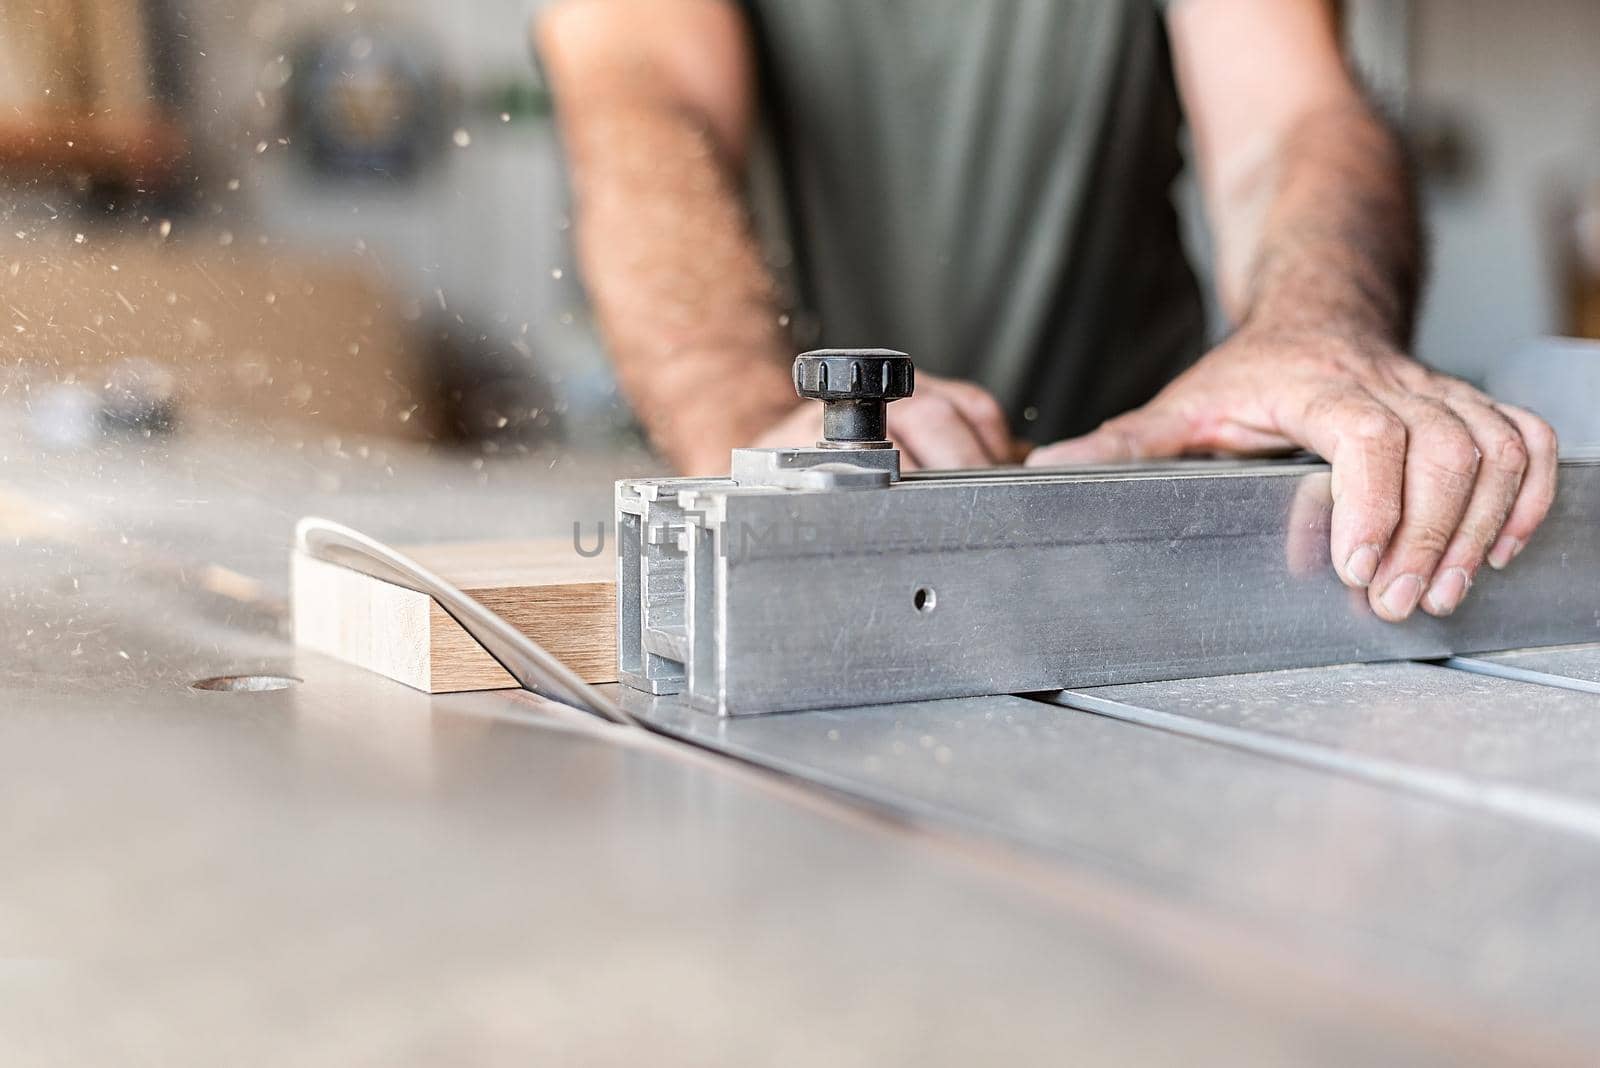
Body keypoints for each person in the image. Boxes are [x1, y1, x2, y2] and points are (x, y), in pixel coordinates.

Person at [536, 0, 1559, 624]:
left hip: (1125, 519)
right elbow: (643, 104)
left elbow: (1292, 116)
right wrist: (747, 430)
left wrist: (1313, 325)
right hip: (767, 477)